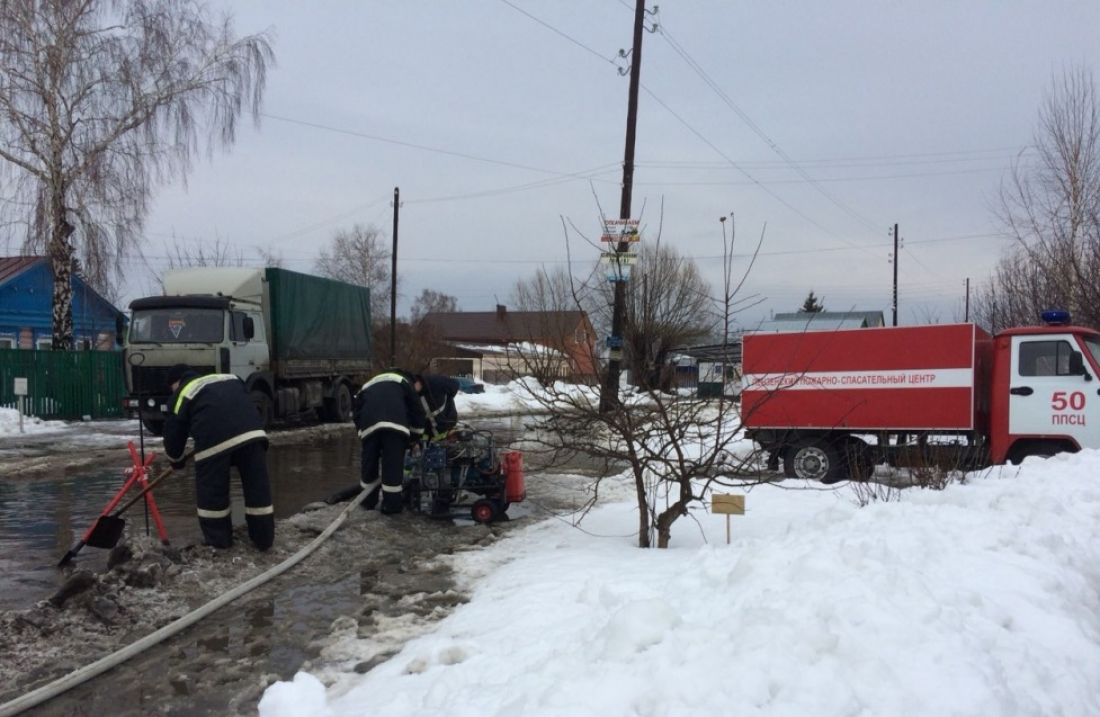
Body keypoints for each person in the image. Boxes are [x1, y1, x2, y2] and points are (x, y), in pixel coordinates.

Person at [162, 364, 274, 551]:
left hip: (214, 442)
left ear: (176, 382)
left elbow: (174, 432)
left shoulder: (183, 391)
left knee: (212, 494)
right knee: (258, 489)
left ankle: (219, 542)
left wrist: (176, 460)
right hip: (254, 435)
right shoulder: (228, 378)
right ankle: (264, 539)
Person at [354, 369, 427, 514]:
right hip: (395, 426)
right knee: (392, 466)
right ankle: (391, 506)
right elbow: (418, 411)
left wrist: (362, 432)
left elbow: (356, 410)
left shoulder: (368, 384)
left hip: (369, 425)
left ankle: (368, 502)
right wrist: (415, 438)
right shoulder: (404, 383)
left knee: (369, 464)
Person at [417, 374, 461, 440]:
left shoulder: (437, 381)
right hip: (428, 433)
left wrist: (448, 399)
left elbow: (455, 385)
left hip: (446, 426)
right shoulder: (412, 393)